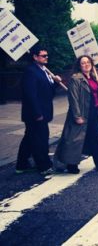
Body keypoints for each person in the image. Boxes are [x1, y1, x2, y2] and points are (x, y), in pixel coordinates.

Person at [54, 55, 98, 174]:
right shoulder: (76, 79)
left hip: (95, 112)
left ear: (92, 64)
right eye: (83, 63)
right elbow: (73, 98)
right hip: (82, 113)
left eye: (88, 62)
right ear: (79, 65)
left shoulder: (93, 77)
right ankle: (71, 165)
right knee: (75, 140)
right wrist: (77, 116)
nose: (86, 64)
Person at [16, 45, 62, 175]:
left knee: (29, 139)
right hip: (35, 114)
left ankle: (21, 164)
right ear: (35, 57)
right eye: (43, 56)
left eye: (47, 55)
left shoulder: (44, 70)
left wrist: (56, 82)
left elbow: (49, 92)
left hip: (43, 111)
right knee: (40, 140)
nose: (46, 58)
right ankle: (44, 166)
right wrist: (37, 113)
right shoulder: (30, 71)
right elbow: (30, 94)